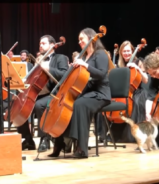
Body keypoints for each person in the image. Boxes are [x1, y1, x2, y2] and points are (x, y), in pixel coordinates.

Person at [47, 27, 111, 159]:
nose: (80, 42)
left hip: (100, 94)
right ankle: (61, 143)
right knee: (69, 104)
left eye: (82, 39)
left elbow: (101, 73)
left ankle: (81, 148)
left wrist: (85, 65)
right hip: (88, 92)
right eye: (79, 40)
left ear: (90, 38)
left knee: (80, 104)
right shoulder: (84, 56)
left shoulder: (100, 54)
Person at [17, 35, 69, 151]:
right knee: (19, 105)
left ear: (52, 45)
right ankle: (28, 139)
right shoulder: (39, 59)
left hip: (54, 93)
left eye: (43, 43)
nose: (40, 45)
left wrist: (49, 68)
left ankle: (44, 138)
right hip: (38, 93)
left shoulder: (61, 58)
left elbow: (65, 75)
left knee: (39, 105)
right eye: (40, 43)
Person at [108, 40, 149, 143]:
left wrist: (138, 69)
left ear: (132, 51)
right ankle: (113, 133)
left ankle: (134, 135)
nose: (127, 53)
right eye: (124, 51)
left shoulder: (138, 62)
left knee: (136, 101)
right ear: (121, 52)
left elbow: (145, 79)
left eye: (128, 51)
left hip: (136, 92)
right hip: (122, 93)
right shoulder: (119, 65)